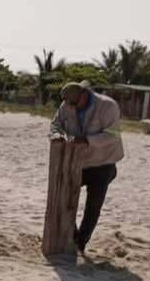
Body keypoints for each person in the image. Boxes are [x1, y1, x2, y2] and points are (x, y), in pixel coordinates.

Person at [50, 81, 125, 253]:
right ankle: (71, 235)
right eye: (69, 104)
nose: (73, 108)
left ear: (85, 93)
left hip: (103, 162)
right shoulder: (67, 105)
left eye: (76, 104)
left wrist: (87, 140)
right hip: (79, 161)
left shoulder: (107, 106)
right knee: (63, 193)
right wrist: (56, 135)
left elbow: (113, 135)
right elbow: (55, 123)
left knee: (93, 205)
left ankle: (81, 243)